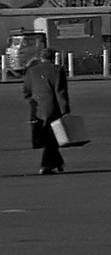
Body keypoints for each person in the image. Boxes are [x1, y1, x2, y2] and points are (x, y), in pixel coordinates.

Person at [22, 45, 70, 175]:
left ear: (41, 57)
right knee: (52, 137)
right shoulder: (57, 70)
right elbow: (60, 92)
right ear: (53, 57)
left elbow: (26, 91)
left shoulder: (31, 71)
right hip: (52, 108)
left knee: (48, 137)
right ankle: (46, 166)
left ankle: (58, 162)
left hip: (37, 109)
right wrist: (65, 110)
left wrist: (33, 104)